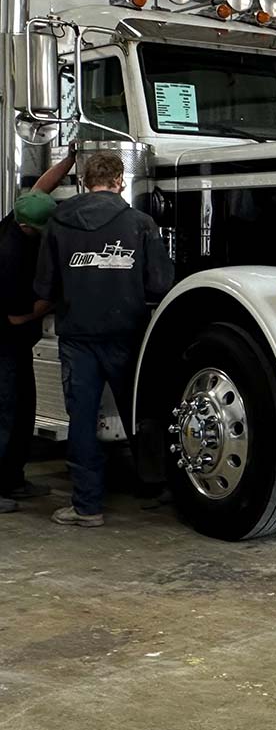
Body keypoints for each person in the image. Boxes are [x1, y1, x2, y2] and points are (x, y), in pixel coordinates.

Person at [33, 150, 174, 527]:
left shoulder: (58, 223)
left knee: (81, 419)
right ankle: (154, 488)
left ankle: (86, 506)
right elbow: (160, 284)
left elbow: (44, 286)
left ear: (83, 181)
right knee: (139, 412)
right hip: (128, 334)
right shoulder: (141, 223)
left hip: (77, 335)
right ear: (119, 183)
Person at [0, 149, 77, 513]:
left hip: (16, 346)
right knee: (4, 414)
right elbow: (18, 317)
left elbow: (39, 191)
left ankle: (14, 480)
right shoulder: (11, 255)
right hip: (4, 341)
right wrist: (53, 301)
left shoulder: (16, 216)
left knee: (23, 410)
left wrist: (67, 162)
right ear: (29, 228)